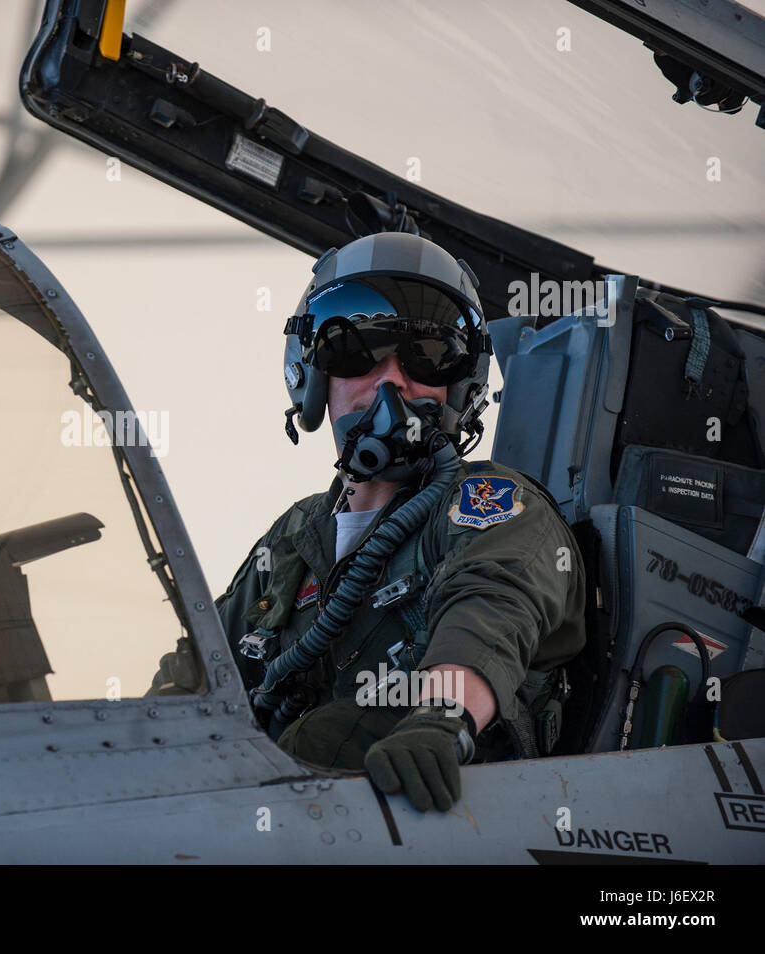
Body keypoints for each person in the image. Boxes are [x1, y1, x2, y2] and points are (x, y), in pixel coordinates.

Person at [150, 231, 586, 813]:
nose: (391, 380)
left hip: (445, 821)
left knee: (327, 737)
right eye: (356, 350)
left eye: (427, 356)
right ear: (312, 376)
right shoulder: (292, 537)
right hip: (273, 823)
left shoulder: (491, 502)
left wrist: (439, 720)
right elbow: (196, 673)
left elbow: (493, 607)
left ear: (463, 384)